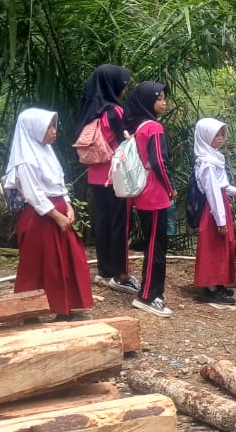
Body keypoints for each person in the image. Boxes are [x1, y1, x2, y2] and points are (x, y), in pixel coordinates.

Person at [5, 108, 93, 321]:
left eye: (54, 126)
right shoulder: (26, 160)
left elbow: (58, 183)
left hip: (58, 211)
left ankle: (65, 309)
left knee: (66, 260)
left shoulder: (47, 152)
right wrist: (57, 216)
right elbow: (34, 195)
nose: (54, 131)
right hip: (40, 218)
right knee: (39, 265)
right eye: (48, 127)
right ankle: (30, 314)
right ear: (34, 129)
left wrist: (68, 205)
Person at [75, 64, 136, 295]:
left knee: (102, 222)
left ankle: (104, 269)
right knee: (119, 224)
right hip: (115, 177)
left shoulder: (90, 111)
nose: (124, 88)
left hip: (95, 176)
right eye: (123, 84)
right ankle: (121, 274)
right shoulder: (115, 111)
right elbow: (126, 142)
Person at [126, 81, 176, 318]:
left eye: (164, 98)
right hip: (155, 194)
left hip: (143, 193)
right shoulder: (154, 127)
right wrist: (170, 188)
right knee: (156, 247)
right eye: (159, 99)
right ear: (148, 101)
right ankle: (147, 296)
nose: (164, 103)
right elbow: (159, 162)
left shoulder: (139, 126)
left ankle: (154, 292)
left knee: (154, 244)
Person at [192, 118, 236, 305]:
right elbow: (212, 191)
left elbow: (220, 184)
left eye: (222, 135)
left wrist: (233, 191)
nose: (220, 138)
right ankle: (210, 287)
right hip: (213, 209)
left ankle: (218, 283)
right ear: (205, 137)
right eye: (216, 135)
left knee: (221, 245)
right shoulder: (206, 162)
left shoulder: (214, 157)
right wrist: (220, 220)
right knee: (213, 246)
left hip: (220, 205)